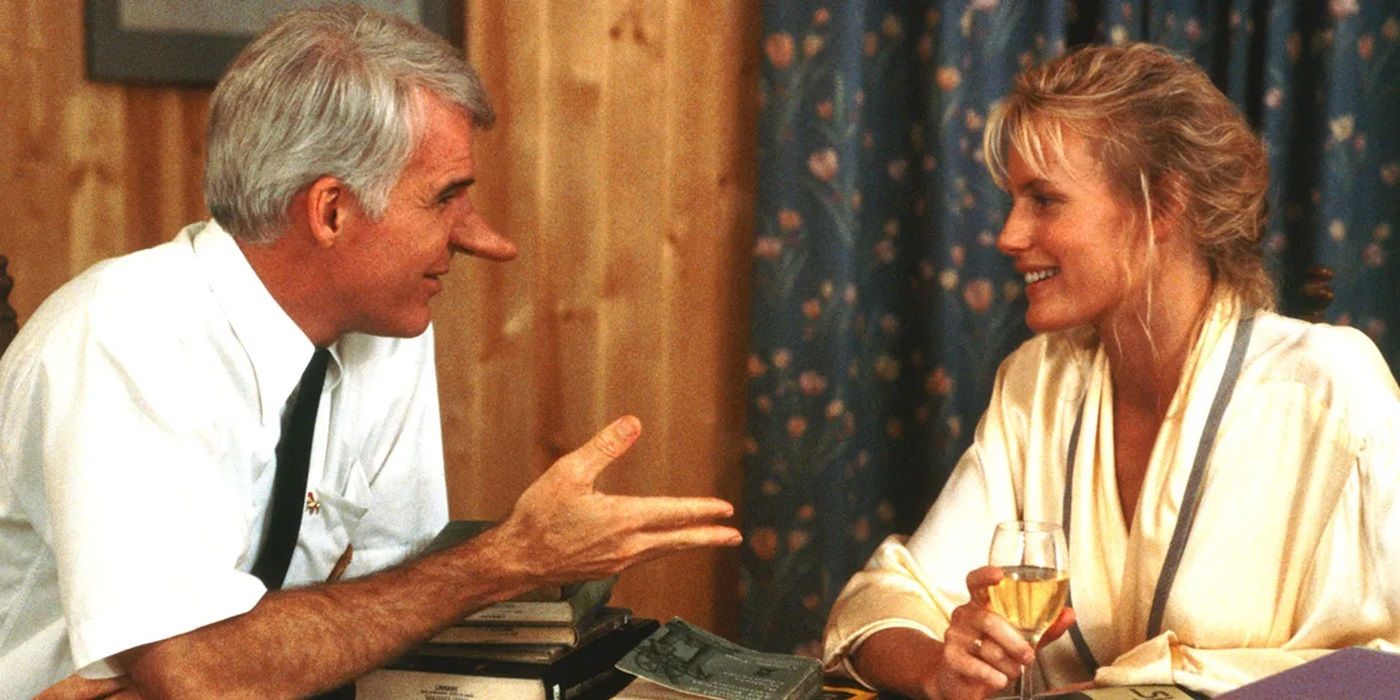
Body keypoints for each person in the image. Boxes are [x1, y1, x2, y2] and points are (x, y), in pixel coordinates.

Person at [0, 7, 741, 698]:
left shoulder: (385, 328)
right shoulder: (127, 339)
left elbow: (389, 608)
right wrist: (509, 558)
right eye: (444, 198)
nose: (475, 234)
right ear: (331, 211)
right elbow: (196, 674)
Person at [822, 42, 1400, 699]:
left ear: (1164, 207)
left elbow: (1385, 672)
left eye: (1044, 200)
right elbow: (889, 596)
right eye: (1014, 200)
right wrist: (940, 666)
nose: (1009, 235)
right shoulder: (1037, 383)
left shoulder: (1328, 390)